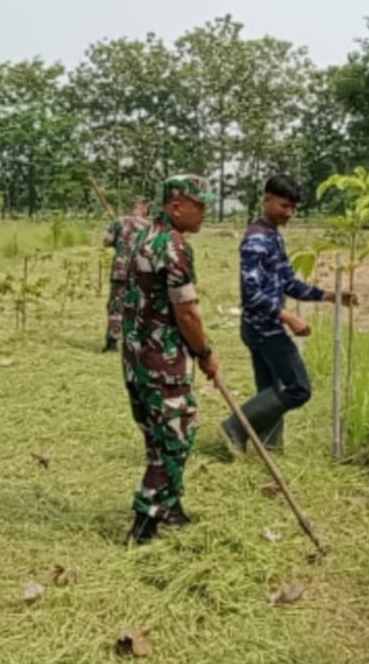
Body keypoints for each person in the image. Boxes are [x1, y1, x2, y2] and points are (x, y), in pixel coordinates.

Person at [221, 174, 356, 453]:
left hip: (264, 327)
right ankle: (235, 427)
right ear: (267, 199)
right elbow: (251, 294)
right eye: (284, 206)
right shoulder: (257, 240)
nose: (290, 213)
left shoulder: (274, 237)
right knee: (299, 388)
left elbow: (289, 283)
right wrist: (288, 317)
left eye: (294, 208)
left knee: (270, 388)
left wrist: (330, 296)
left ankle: (270, 447)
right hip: (263, 330)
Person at [121, 175, 219, 546]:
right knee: (178, 435)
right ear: (176, 205)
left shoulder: (140, 238)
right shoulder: (174, 246)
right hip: (162, 360)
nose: (205, 212)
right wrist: (206, 354)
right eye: (201, 204)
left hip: (135, 357)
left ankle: (172, 506)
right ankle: (145, 521)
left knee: (157, 436)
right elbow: (187, 313)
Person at [102, 197, 150, 352]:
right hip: (141, 271)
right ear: (145, 209)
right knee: (138, 306)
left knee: (116, 305)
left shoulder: (119, 221)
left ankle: (112, 341)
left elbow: (106, 241)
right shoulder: (150, 227)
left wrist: (119, 239)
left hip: (120, 271)